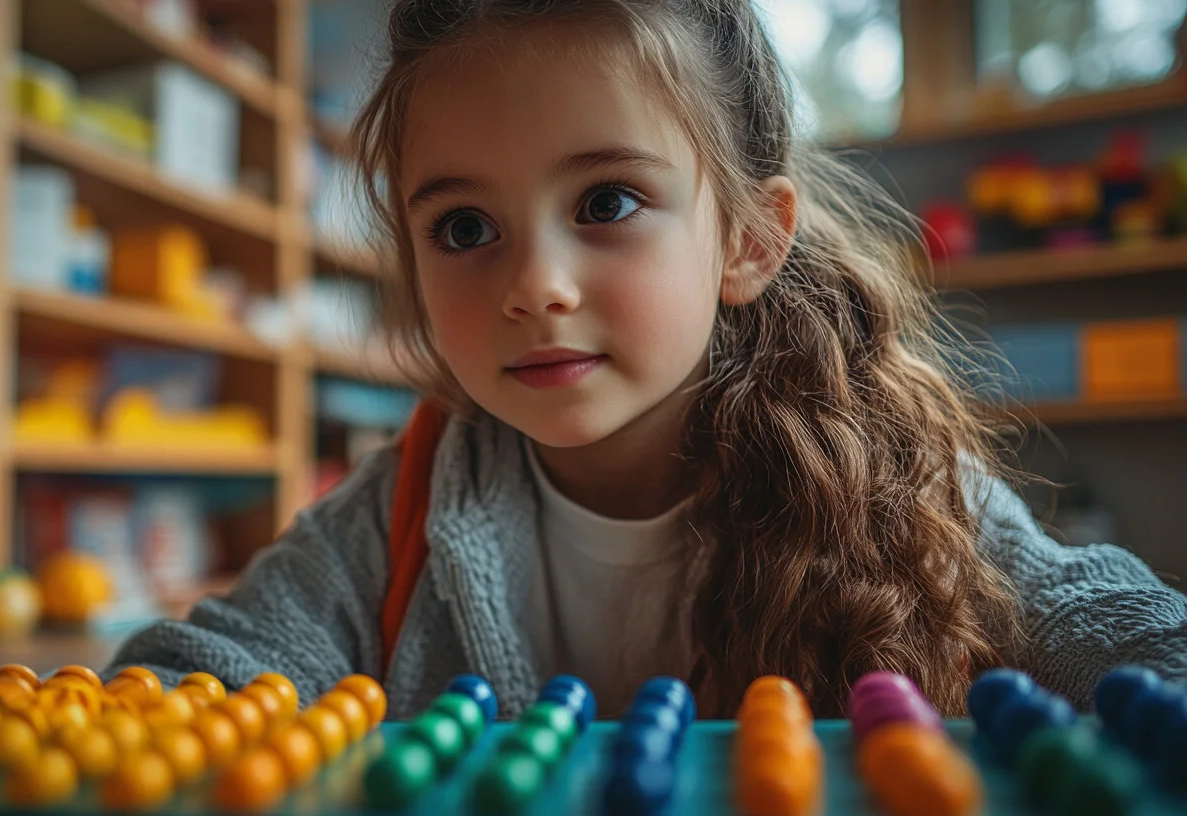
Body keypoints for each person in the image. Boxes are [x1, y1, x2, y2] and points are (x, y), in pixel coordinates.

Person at [109, 0, 1187, 720]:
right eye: (464, 229)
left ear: (747, 240)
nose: (535, 284)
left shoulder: (886, 474)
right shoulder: (401, 512)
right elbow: (201, 675)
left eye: (606, 203)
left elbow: (1099, 616)